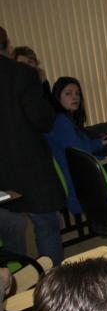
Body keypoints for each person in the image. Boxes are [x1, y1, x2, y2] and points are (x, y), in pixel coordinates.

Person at [0, 26, 65, 266]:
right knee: (46, 225)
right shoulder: (22, 74)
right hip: (29, 166)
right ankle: (55, 289)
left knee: (11, 228)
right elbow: (43, 120)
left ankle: (18, 280)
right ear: (7, 46)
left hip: (3, 172)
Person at [45, 76, 107, 215]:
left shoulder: (65, 119)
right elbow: (79, 152)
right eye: (68, 93)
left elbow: (80, 145)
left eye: (77, 93)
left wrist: (104, 142)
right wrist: (102, 157)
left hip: (79, 170)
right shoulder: (61, 122)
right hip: (77, 177)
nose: (75, 97)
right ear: (57, 97)